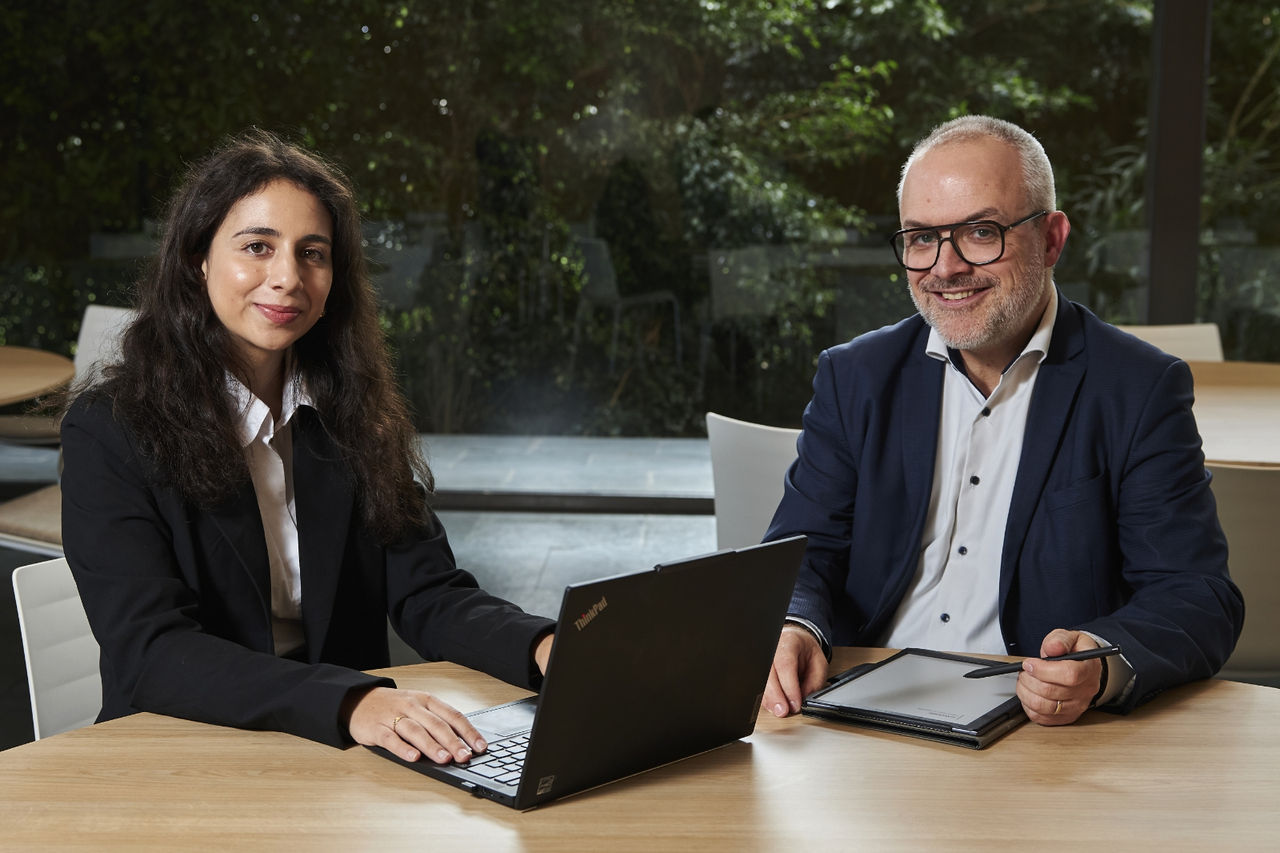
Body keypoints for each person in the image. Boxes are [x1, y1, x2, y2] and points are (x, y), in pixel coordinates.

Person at [60, 129, 555, 764]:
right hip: (186, 748)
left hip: (333, 752)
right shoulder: (110, 428)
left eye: (312, 253)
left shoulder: (350, 412)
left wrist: (547, 648)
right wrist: (351, 702)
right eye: (257, 248)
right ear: (197, 260)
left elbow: (427, 591)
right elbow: (151, 651)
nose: (287, 278)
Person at [762, 115, 1244, 726]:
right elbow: (804, 553)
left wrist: (1101, 664)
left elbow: (1196, 596)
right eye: (920, 238)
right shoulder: (855, 375)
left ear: (1051, 239)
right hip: (854, 708)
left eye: (981, 232)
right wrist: (795, 624)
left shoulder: (1139, 388)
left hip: (1033, 724)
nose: (945, 267)